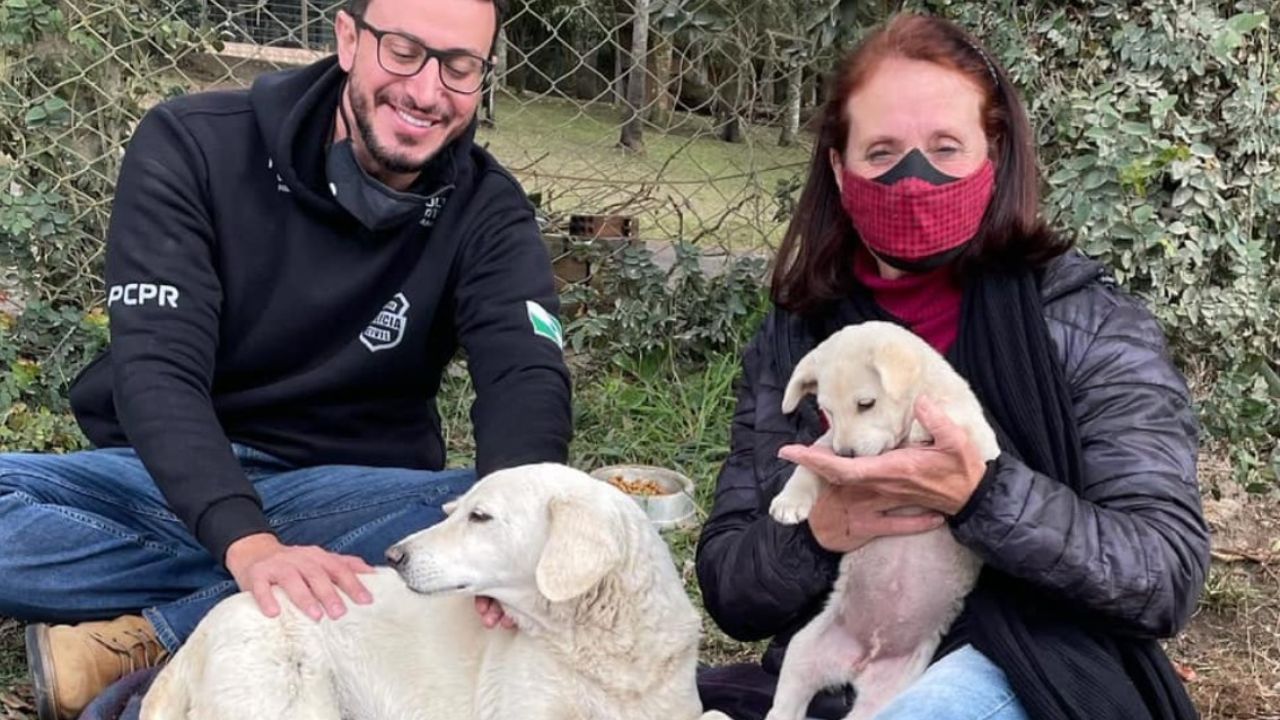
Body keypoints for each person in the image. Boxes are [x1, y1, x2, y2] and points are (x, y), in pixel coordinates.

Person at [0, 0, 573, 718]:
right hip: (168, 474)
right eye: (402, 51)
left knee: (510, 511)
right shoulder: (192, 143)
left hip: (351, 488)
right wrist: (247, 543)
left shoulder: (488, 210)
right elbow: (157, 371)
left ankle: (159, 634)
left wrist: (506, 535)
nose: (427, 93)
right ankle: (271, 591)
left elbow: (525, 376)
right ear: (346, 39)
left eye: (460, 68)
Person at [695, 13, 1209, 720]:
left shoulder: (1086, 322)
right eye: (881, 153)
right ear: (840, 173)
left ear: (991, 158)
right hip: (843, 658)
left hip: (1036, 661)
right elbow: (731, 589)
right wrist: (820, 530)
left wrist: (983, 495)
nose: (914, 179)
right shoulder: (801, 343)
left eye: (945, 147)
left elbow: (1164, 574)